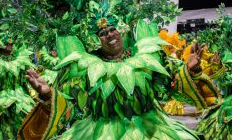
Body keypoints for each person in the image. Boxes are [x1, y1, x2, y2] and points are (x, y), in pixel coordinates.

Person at [18, 19, 201, 140]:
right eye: (103, 33)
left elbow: (170, 86)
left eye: (113, 29)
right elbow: (72, 107)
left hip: (151, 130)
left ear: (121, 31)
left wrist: (190, 71)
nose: (110, 35)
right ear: (96, 40)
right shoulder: (85, 68)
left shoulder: (147, 57)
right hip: (99, 132)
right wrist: (49, 94)